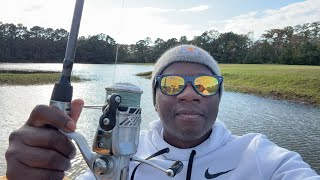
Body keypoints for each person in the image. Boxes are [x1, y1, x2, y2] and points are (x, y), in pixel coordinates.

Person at [5, 45, 319, 180]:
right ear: (154, 98)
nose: (189, 94)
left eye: (206, 85)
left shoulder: (263, 156)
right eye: (171, 84)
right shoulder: (117, 157)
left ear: (219, 97)